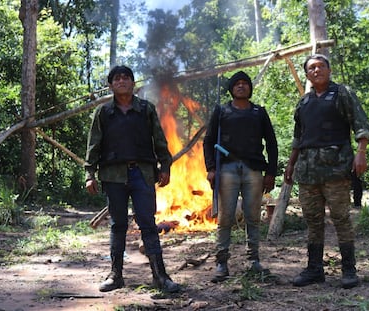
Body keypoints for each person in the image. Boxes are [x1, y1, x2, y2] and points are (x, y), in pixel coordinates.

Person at [84, 65, 180, 293]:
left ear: (133, 83)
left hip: (142, 174)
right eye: (116, 79)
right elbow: (94, 145)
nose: (121, 81)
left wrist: (165, 165)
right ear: (110, 85)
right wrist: (89, 174)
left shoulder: (146, 110)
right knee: (118, 225)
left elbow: (159, 140)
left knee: (148, 224)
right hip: (113, 175)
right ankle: (115, 275)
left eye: (126, 78)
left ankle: (160, 276)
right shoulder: (104, 113)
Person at [284, 54, 369, 289]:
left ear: (328, 70)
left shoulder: (342, 93)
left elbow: (360, 124)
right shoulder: (303, 102)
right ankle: (314, 269)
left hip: (336, 169)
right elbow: (298, 137)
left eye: (321, 66)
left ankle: (349, 269)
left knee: (341, 218)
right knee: (313, 221)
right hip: (307, 171)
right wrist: (291, 164)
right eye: (311, 68)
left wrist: (360, 152)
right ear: (307, 74)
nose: (316, 70)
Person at [203, 71, 278, 282]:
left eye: (245, 83)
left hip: (253, 169)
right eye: (237, 84)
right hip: (227, 169)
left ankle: (253, 260)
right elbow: (208, 141)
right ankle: (221, 263)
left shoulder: (259, 112)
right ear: (231, 88)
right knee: (225, 217)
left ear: (250, 88)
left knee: (252, 217)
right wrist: (210, 167)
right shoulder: (221, 111)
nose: (242, 86)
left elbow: (271, 144)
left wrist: (271, 172)